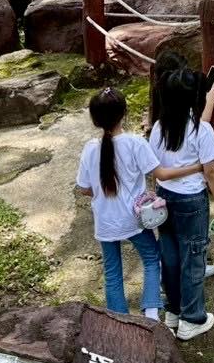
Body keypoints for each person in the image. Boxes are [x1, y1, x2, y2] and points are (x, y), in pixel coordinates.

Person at [77, 87, 202, 318]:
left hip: (105, 221)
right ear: (124, 113)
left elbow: (84, 188)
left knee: (112, 272)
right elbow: (161, 174)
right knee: (152, 258)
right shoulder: (135, 143)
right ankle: (151, 315)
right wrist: (198, 167)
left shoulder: (90, 148)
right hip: (133, 218)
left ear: (95, 119)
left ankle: (119, 321)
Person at [149, 68, 214, 340]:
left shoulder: (159, 127)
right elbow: (211, 171)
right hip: (192, 201)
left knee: (170, 257)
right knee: (193, 259)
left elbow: (155, 167)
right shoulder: (201, 130)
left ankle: (173, 312)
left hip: (164, 197)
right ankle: (192, 318)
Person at [151, 50, 214, 279]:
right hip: (188, 192)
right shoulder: (175, 112)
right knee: (191, 246)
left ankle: (173, 287)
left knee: (171, 243)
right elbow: (198, 130)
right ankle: (191, 282)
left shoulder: (162, 113)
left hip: (165, 191)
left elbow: (194, 129)